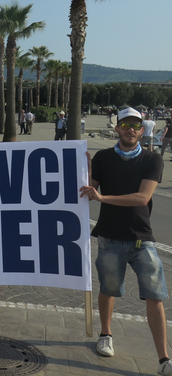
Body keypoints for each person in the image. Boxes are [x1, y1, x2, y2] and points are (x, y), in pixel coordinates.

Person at [79, 108, 171, 375]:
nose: (130, 129)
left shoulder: (153, 160)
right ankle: (105, 334)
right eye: (125, 125)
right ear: (117, 128)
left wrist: (103, 198)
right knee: (108, 290)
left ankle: (164, 359)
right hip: (109, 237)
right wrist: (81, 168)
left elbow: (142, 198)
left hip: (142, 238)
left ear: (142, 130)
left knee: (155, 297)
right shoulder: (104, 157)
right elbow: (87, 189)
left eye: (135, 126)